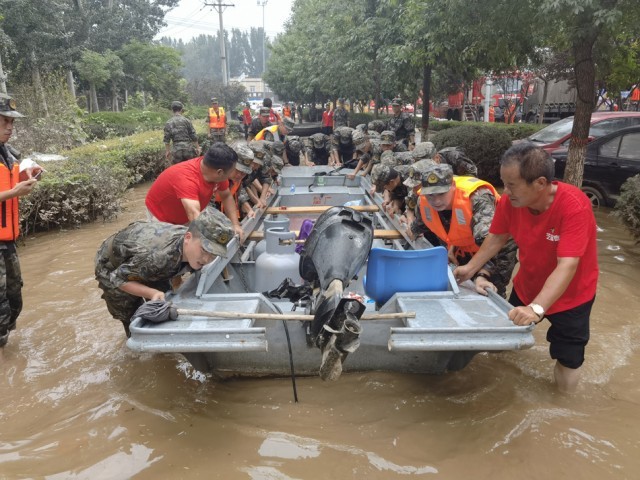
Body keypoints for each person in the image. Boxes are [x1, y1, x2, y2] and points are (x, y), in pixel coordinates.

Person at [453, 143, 598, 392]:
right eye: (503, 183)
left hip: (573, 296)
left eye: (512, 185)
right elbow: (497, 237)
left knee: (569, 357)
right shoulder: (511, 202)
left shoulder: (575, 206)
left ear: (540, 183)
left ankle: (564, 402)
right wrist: (470, 268)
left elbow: (567, 265)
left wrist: (537, 308)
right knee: (506, 339)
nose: (505, 191)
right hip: (528, 285)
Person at [95, 206, 234, 337]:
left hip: (146, 261)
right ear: (187, 238)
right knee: (130, 316)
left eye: (213, 254)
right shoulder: (158, 257)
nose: (207, 259)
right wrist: (151, 293)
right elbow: (117, 279)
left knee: (163, 304)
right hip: (112, 265)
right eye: (204, 250)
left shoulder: (189, 246)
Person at [409, 164, 517, 298]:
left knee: (489, 290)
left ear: (453, 186)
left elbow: (493, 241)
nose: (436, 201)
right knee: (462, 281)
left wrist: (483, 274)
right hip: (466, 245)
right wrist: (409, 226)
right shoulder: (423, 201)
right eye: (430, 195)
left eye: (442, 194)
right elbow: (418, 226)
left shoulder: (477, 197)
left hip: (498, 247)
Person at [0, 94, 41, 350]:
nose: (10, 127)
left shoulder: (9, 154)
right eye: (4, 121)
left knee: (14, 299)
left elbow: (9, 184)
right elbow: (10, 192)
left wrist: (29, 177)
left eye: (12, 122)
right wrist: (15, 192)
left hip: (8, 241)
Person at [144, 142, 243, 239]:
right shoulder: (188, 180)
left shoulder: (215, 171)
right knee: (167, 243)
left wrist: (235, 225)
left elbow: (226, 196)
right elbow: (194, 215)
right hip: (162, 215)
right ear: (220, 172)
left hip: (187, 212)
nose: (231, 175)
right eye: (231, 171)